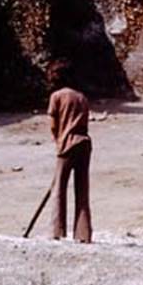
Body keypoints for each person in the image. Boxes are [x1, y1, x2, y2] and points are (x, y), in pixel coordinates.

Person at [46, 61, 92, 242]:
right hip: (84, 144)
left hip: (66, 145)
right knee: (82, 191)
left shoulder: (56, 96)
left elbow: (53, 125)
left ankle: (58, 232)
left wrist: (58, 142)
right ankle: (83, 234)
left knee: (59, 190)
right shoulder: (82, 97)